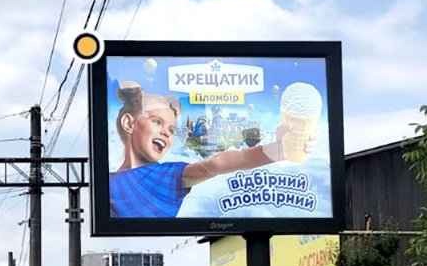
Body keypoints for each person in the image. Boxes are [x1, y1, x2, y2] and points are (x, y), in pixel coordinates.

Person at [108, 80, 316, 218]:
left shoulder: (166, 175)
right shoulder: (106, 183)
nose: (166, 133)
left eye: (171, 129)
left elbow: (220, 163)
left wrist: (278, 150)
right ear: (129, 123)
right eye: (156, 122)